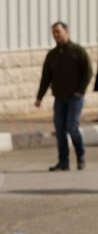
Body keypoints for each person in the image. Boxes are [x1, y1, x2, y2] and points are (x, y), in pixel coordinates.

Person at [35, 21, 92, 171]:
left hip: (75, 98)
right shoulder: (52, 55)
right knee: (59, 130)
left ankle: (80, 157)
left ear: (66, 32)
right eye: (54, 32)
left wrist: (81, 90)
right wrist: (39, 97)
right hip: (59, 98)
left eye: (58, 32)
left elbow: (88, 72)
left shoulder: (78, 51)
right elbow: (46, 77)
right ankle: (63, 162)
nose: (56, 35)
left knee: (72, 127)